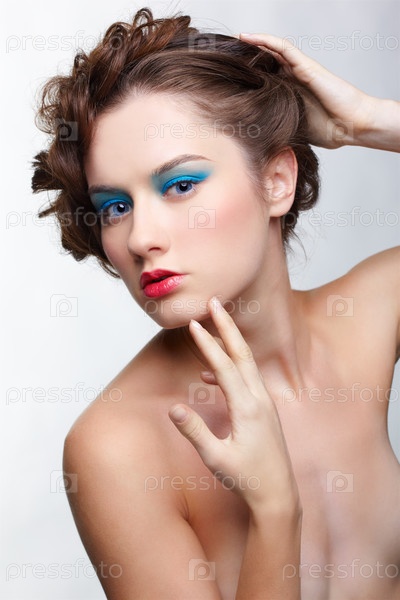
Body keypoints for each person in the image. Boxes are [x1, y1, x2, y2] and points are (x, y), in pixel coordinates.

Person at [31, 7, 400, 599]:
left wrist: (368, 124)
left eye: (180, 186)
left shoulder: (370, 318)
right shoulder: (118, 446)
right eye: (115, 207)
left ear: (276, 182)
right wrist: (274, 508)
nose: (141, 237)